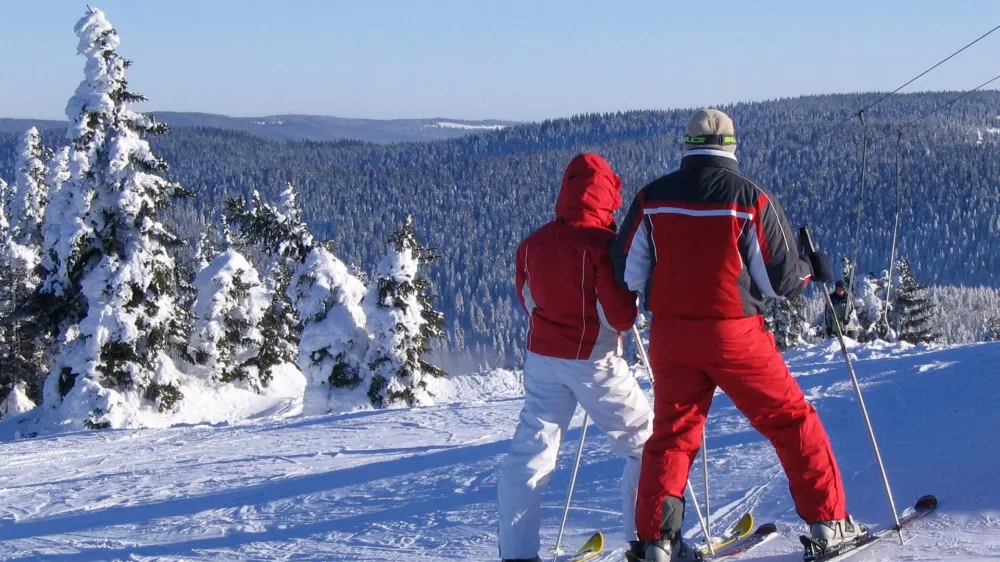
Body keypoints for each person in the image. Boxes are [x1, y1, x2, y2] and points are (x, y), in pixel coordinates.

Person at [612, 109, 866, 561]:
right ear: (731, 146)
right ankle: (828, 524)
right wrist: (814, 268)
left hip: (672, 335)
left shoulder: (652, 198)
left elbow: (628, 272)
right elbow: (778, 282)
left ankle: (657, 543)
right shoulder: (749, 198)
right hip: (735, 334)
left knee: (672, 434)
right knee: (790, 420)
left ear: (687, 145)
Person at [498, 153, 653, 562]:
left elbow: (528, 300)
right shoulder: (602, 245)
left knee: (531, 453)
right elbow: (618, 316)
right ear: (607, 194)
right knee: (645, 444)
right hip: (593, 360)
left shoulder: (532, 243)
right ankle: (645, 541)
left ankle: (516, 553)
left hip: (542, 357)